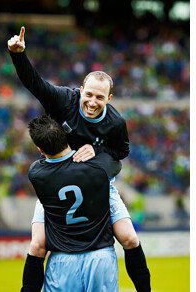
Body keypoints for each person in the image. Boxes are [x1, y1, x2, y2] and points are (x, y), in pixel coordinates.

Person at [8, 26, 151, 292]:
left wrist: (97, 156)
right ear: (80, 90)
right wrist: (18, 55)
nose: (92, 102)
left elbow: (121, 153)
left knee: (130, 239)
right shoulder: (64, 100)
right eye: (88, 94)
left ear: (109, 98)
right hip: (56, 182)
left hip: (97, 184)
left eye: (100, 97)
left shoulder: (115, 122)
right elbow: (35, 84)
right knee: (37, 246)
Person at [24, 115, 119, 291]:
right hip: (100, 254)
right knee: (130, 237)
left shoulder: (36, 173)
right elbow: (116, 161)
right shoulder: (97, 167)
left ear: (39, 149)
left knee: (36, 243)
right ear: (65, 136)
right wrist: (93, 148)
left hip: (62, 259)